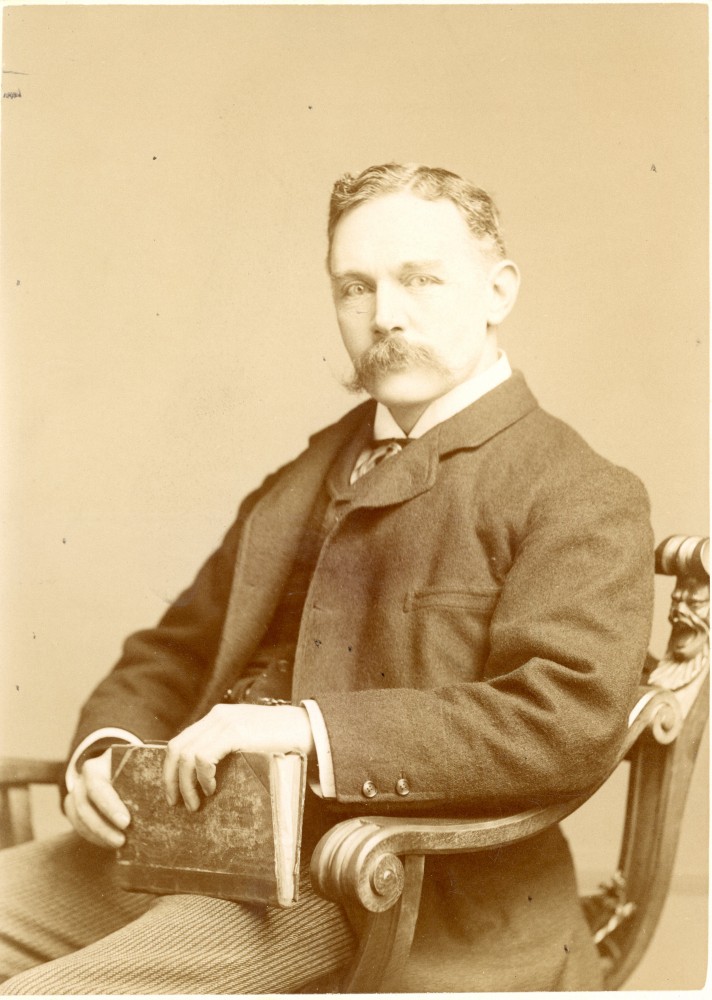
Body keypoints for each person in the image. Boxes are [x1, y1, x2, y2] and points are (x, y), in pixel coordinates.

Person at [0, 162, 654, 993]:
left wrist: (307, 731)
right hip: (193, 843)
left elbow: (562, 718)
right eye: (355, 287)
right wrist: (108, 749)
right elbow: (174, 650)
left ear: (499, 291)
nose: (385, 315)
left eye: (420, 280)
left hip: (377, 887)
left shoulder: (576, 489)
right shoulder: (310, 473)